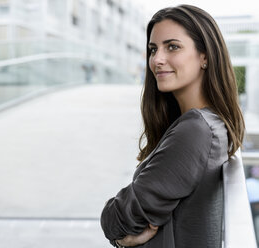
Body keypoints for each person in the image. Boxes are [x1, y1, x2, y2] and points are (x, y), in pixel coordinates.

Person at [100, 4, 245, 248]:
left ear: (205, 56)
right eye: (153, 49)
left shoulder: (196, 130)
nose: (157, 59)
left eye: (173, 47)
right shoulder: (212, 122)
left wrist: (121, 234)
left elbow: (115, 219)